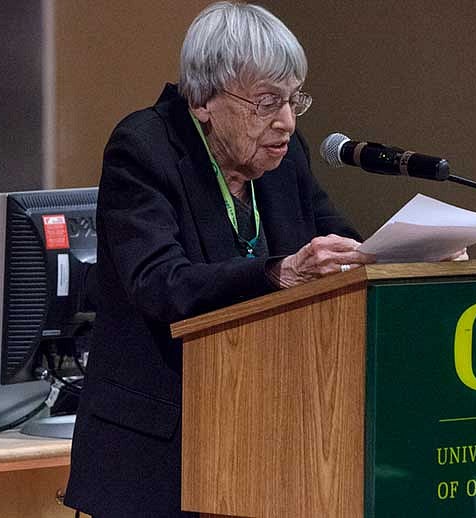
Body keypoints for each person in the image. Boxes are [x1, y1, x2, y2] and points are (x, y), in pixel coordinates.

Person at [64, 3, 375, 516]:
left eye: (294, 98)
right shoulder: (143, 147)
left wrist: (406, 255)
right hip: (159, 454)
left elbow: (339, 243)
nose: (286, 120)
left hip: (271, 446)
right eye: (267, 100)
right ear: (204, 99)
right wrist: (281, 272)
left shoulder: (284, 154)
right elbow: (161, 284)